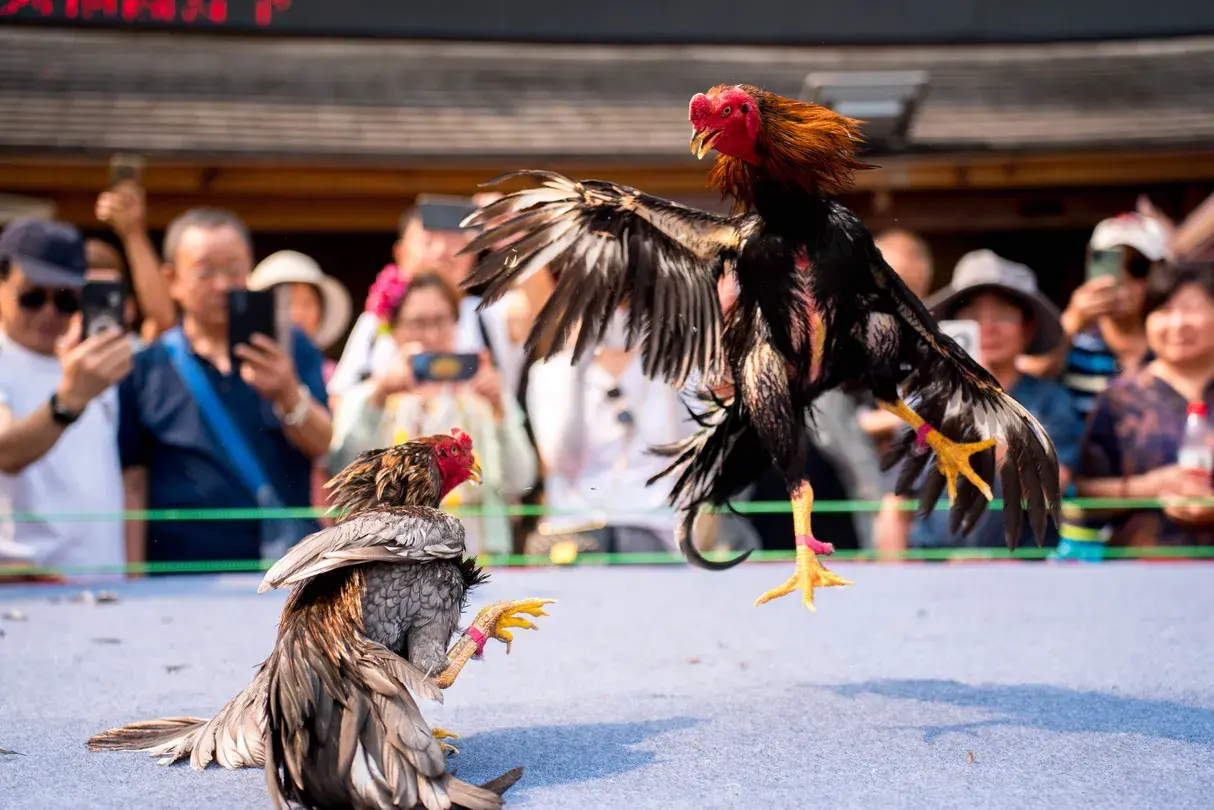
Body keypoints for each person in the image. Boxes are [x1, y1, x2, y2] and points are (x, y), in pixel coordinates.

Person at [118, 208, 333, 568]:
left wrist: (287, 392)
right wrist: (133, 577)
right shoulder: (146, 367)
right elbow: (133, 484)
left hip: (285, 571)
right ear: (172, 279)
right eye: (205, 272)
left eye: (234, 270)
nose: (222, 285)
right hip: (180, 572)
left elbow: (324, 443)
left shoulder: (289, 346)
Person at [878, 249, 1082, 550]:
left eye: (1003, 315)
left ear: (1027, 330)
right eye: (973, 316)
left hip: (1020, 576)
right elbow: (896, 507)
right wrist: (892, 579)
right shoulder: (923, 405)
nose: (988, 327)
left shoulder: (1051, 402)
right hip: (931, 573)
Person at [328, 273, 536, 555]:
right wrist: (380, 394)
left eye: (441, 321)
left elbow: (521, 481)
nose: (431, 335)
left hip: (474, 559)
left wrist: (499, 410)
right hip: (390, 562)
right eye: (418, 323)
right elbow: (341, 468)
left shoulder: (483, 393)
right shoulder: (369, 396)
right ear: (394, 328)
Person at [0, 218, 132, 580]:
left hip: (107, 585)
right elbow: (6, 452)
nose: (48, 313)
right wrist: (70, 399)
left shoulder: (93, 359)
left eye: (64, 300)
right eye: (31, 296)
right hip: (29, 589)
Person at [1074, 261, 1214, 548]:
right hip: (1141, 573)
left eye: (1192, 309)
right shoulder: (1119, 399)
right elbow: (1084, 494)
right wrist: (1150, 488)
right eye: (1164, 310)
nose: (1178, 323)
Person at [1019, 212, 1169, 417]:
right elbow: (1022, 383)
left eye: (1137, 267)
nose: (1122, 277)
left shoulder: (1176, 339)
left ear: (1160, 271)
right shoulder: (1072, 339)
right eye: (1110, 265)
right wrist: (1070, 323)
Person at [248, 250, 353, 386]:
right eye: (286, 304)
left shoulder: (336, 379)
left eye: (307, 303)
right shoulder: (248, 371)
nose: (298, 313)